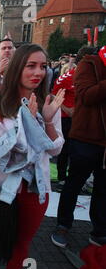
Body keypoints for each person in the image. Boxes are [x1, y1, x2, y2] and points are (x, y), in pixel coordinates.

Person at [0, 44, 65, 269]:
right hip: (2, 185)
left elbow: (55, 149)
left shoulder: (46, 103)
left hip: (36, 187)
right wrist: (27, 123)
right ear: (18, 67)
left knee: (22, 241)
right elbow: (3, 150)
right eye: (31, 65)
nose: (38, 72)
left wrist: (48, 120)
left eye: (42, 66)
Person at [51, 45, 106, 247]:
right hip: (86, 137)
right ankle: (63, 225)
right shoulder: (89, 64)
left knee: (102, 188)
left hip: (105, 143)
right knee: (73, 184)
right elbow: (87, 96)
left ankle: (99, 230)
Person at [50, 47, 97, 192]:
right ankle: (63, 178)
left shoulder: (95, 77)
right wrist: (67, 109)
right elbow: (52, 95)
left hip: (84, 120)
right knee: (65, 149)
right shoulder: (68, 77)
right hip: (67, 120)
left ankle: (82, 180)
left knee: (80, 151)